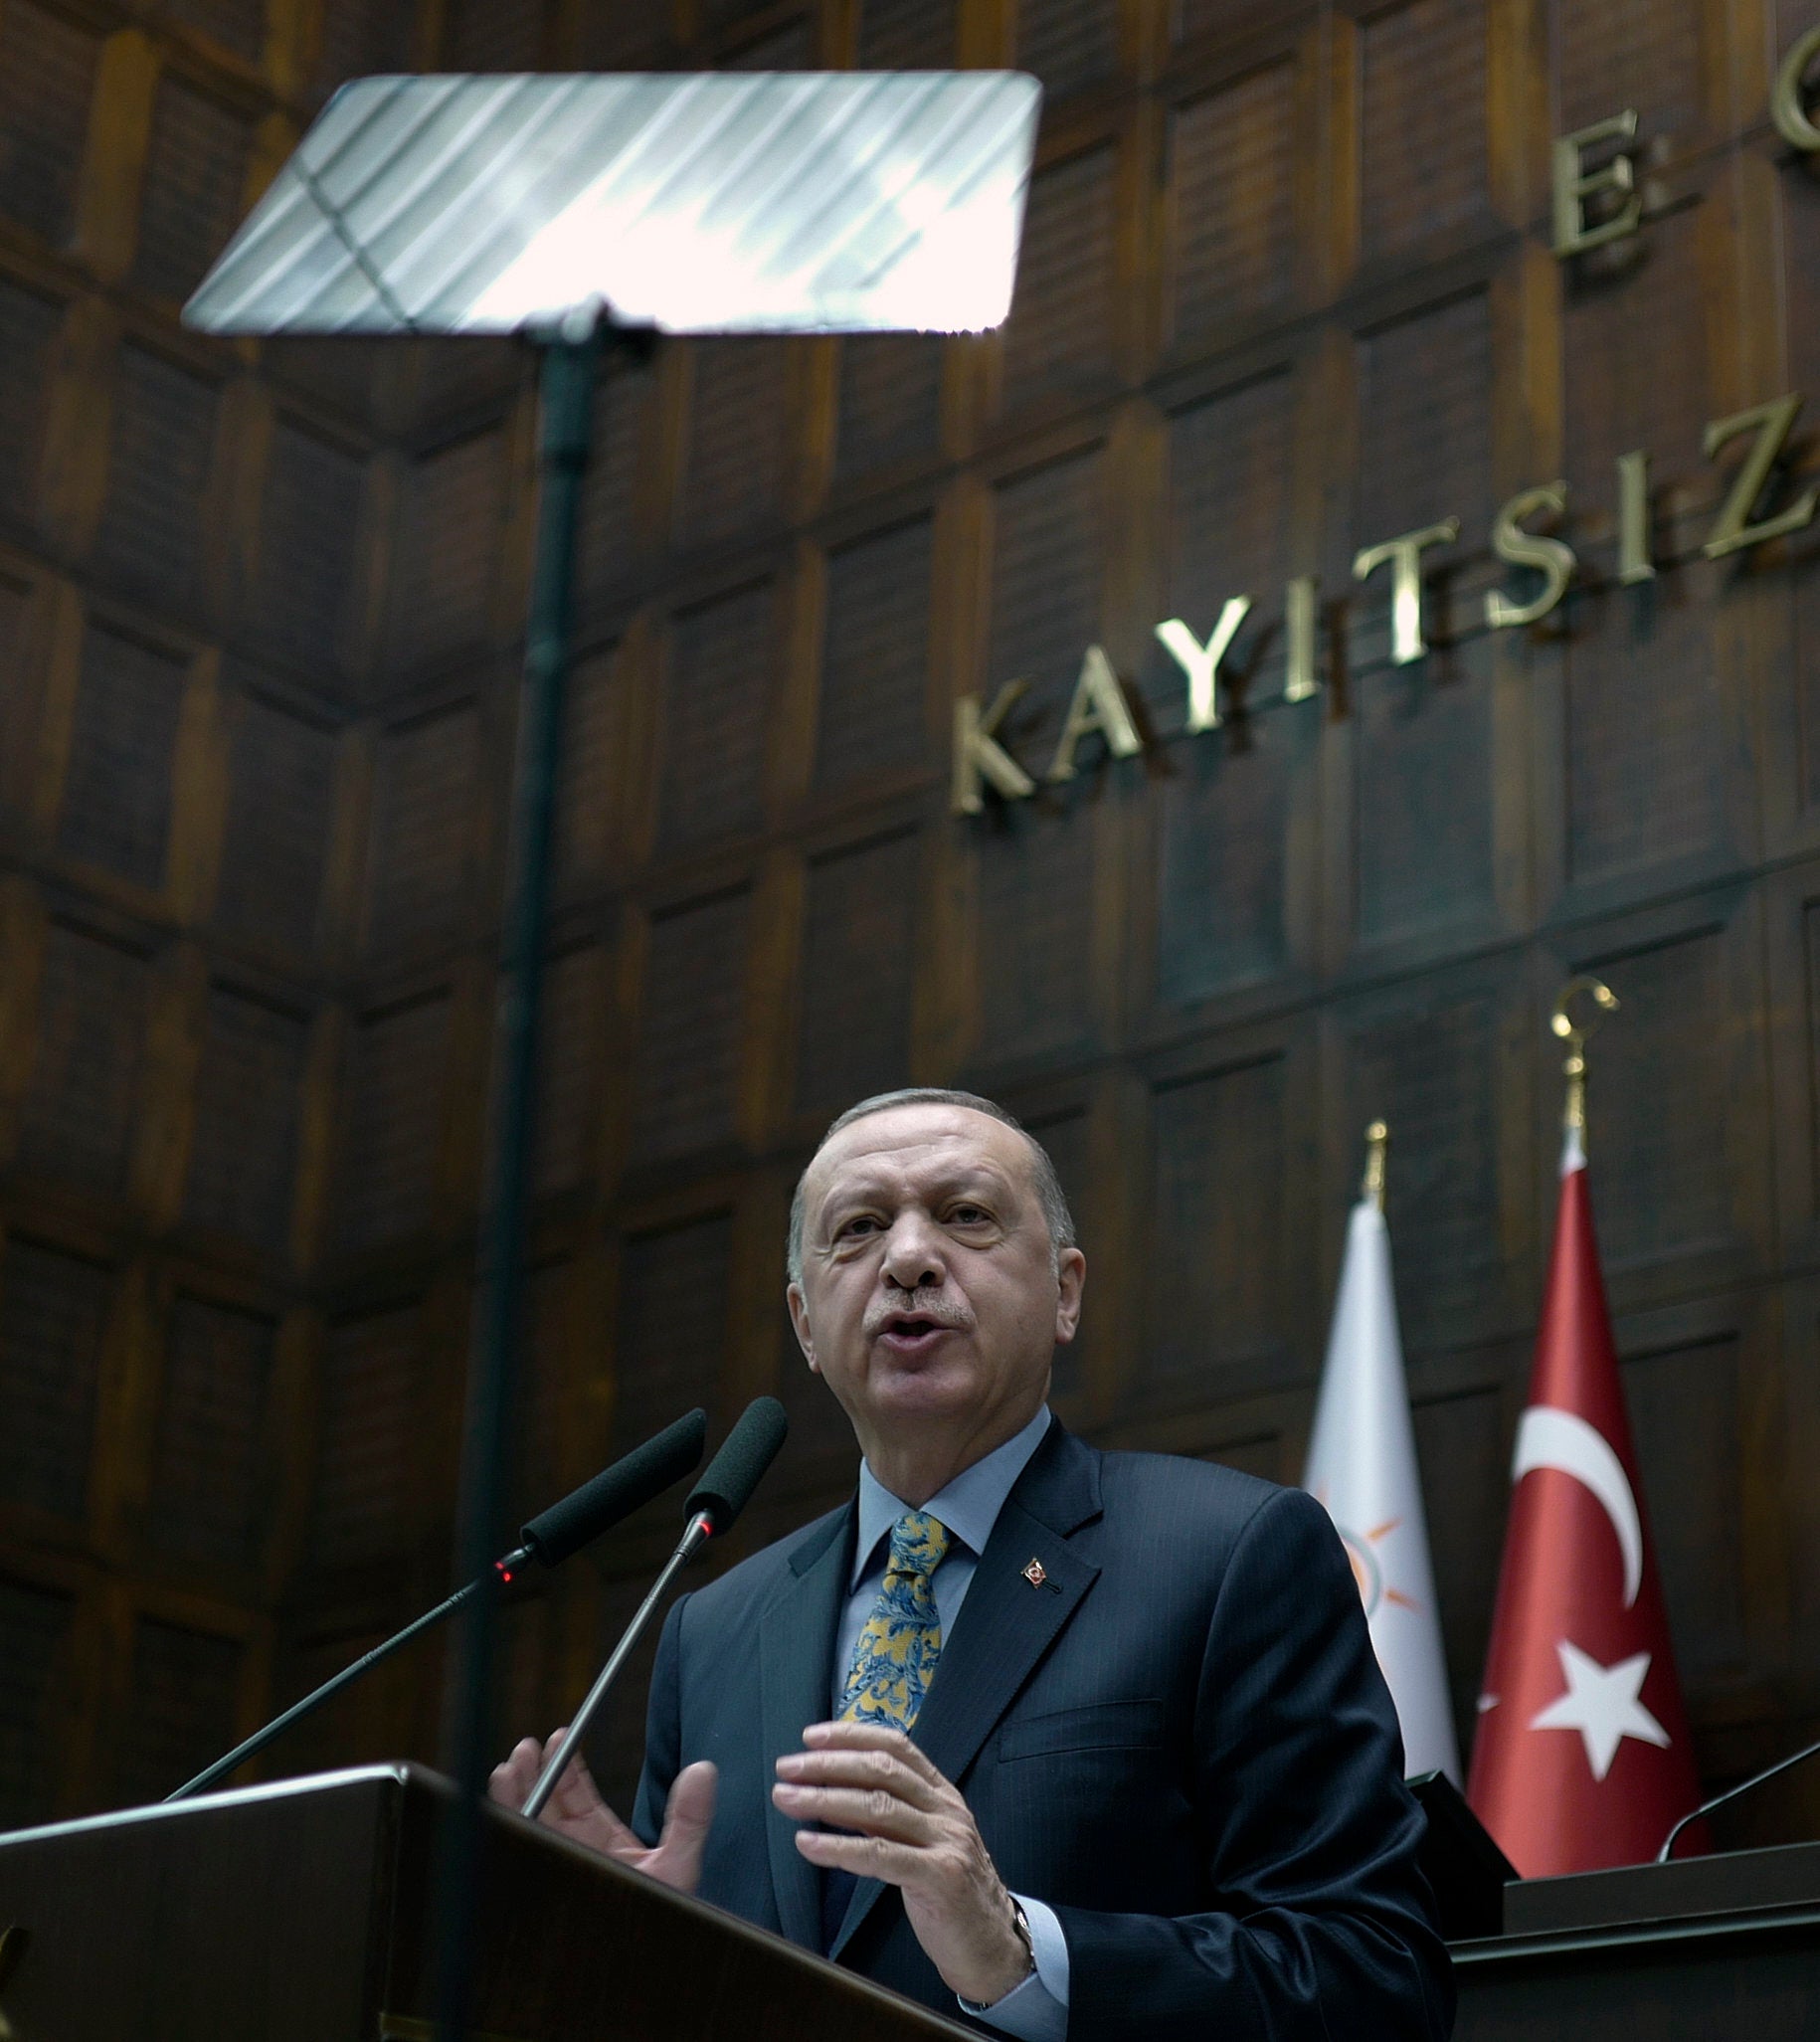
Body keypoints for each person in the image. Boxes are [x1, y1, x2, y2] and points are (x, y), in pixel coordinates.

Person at [491, 1088, 1454, 2040]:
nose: (908, 1257)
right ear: (804, 1324)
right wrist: (632, 1949)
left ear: (1065, 1291)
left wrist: (1023, 1952)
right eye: (859, 1227)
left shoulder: (1230, 1554)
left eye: (965, 1214)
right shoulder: (711, 1630)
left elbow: (1376, 1978)